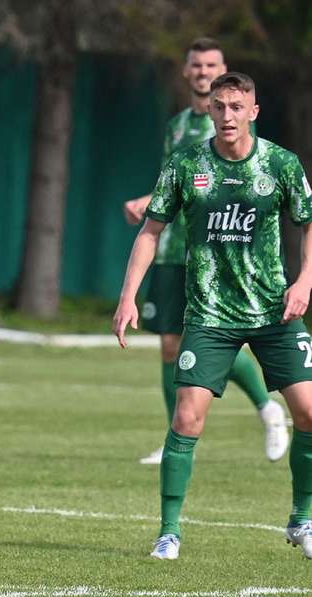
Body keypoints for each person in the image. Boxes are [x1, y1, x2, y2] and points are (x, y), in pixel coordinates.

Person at [113, 72, 312, 561]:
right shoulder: (186, 164)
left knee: (309, 412)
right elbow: (150, 231)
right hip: (208, 313)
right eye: (219, 106)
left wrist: (305, 281)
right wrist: (127, 296)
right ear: (211, 110)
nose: (226, 115)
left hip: (273, 311)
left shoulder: (280, 164)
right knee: (187, 416)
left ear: (253, 111)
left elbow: (309, 223)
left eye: (236, 107)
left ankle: (302, 519)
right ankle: (168, 531)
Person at [121, 38, 288, 465]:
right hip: (170, 250)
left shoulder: (230, 124)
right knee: (169, 346)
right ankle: (173, 434)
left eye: (211, 64)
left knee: (212, 340)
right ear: (186, 71)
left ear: (223, 69)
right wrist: (147, 202)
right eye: (196, 65)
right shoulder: (177, 125)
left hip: (212, 254)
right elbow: (170, 185)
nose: (202, 71)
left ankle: (267, 407)